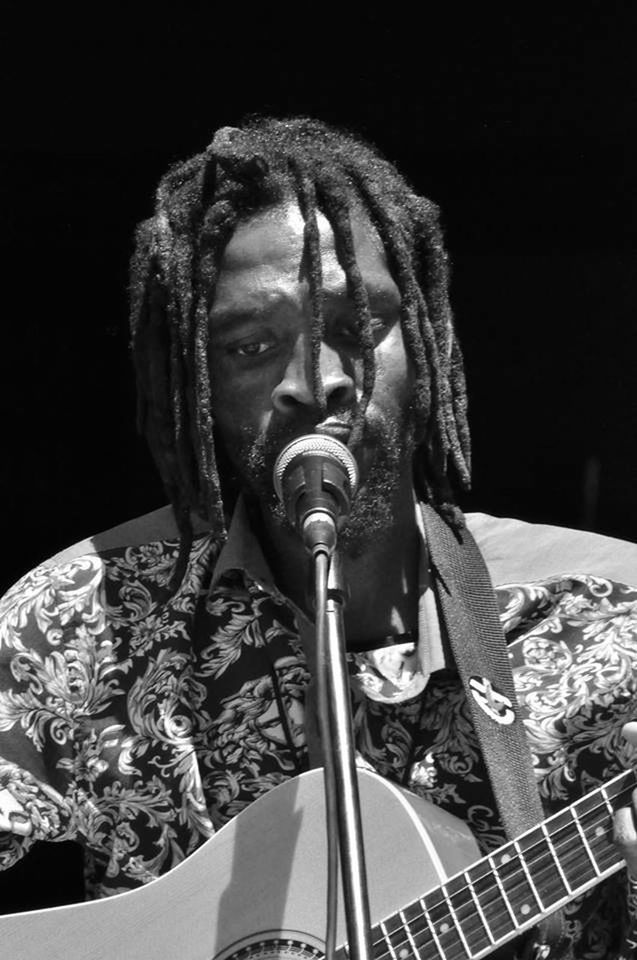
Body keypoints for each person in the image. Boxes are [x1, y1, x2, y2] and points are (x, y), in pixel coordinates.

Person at [0, 116, 636, 958]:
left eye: (354, 324)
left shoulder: (605, 618)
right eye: (253, 345)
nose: (318, 383)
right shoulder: (82, 623)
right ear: (197, 381)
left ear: (426, 342)